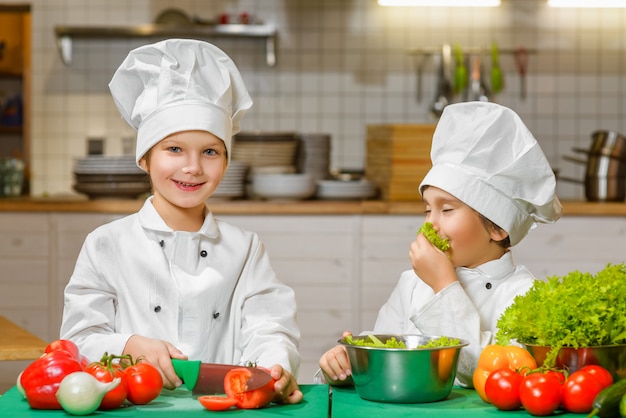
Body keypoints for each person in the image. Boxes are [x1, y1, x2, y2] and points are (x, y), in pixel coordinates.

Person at [60, 39, 302, 404]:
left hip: (224, 409)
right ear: (144, 158)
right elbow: (78, 338)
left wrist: (274, 367)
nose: (192, 167)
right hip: (131, 409)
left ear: (225, 160)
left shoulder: (245, 248)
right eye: (174, 149)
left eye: (210, 151)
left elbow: (270, 327)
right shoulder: (106, 243)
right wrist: (129, 344)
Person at [318, 102, 561, 387]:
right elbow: (384, 367)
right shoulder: (411, 284)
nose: (431, 223)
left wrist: (445, 286)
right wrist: (350, 365)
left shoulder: (527, 296)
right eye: (427, 210)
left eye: (446, 210)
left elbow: (488, 376)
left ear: (496, 227)